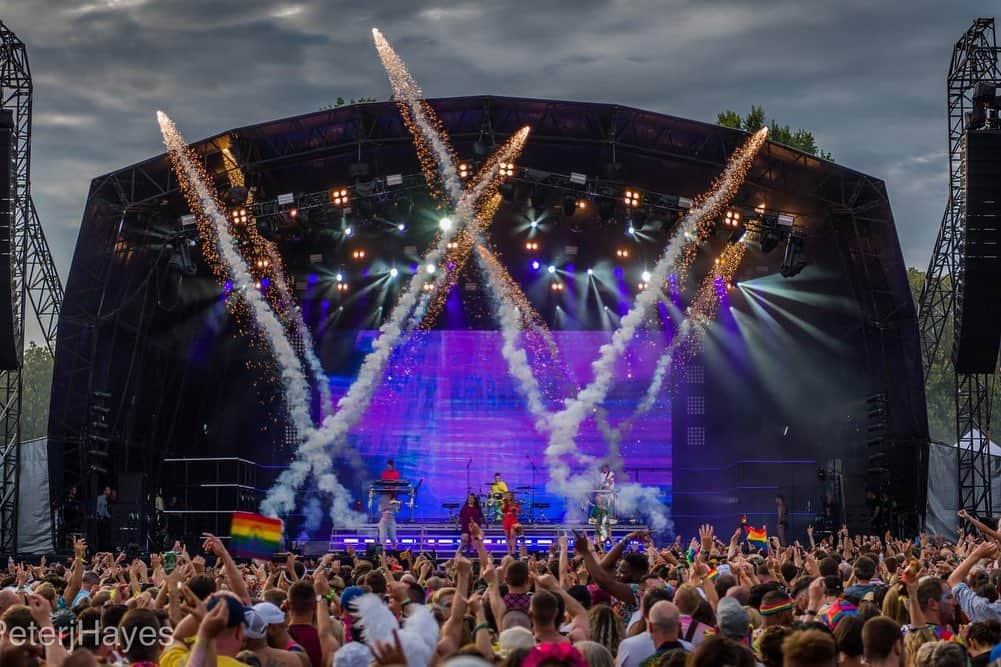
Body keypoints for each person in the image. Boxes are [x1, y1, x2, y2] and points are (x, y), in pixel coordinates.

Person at [501, 491, 522, 555]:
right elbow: (503, 510)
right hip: (506, 519)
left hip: (513, 519)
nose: (508, 496)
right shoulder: (504, 503)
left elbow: (520, 511)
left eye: (510, 495)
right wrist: (505, 503)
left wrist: (515, 508)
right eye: (507, 495)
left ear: (512, 496)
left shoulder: (515, 503)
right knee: (507, 537)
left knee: (513, 535)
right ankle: (509, 552)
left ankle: (513, 552)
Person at [95, 485, 112, 550]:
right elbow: (96, 508)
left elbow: (105, 511)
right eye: (108, 490)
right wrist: (98, 514)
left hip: (102, 520)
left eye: (109, 490)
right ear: (104, 491)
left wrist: (110, 517)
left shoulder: (105, 500)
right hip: (98, 519)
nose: (109, 491)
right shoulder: (99, 498)